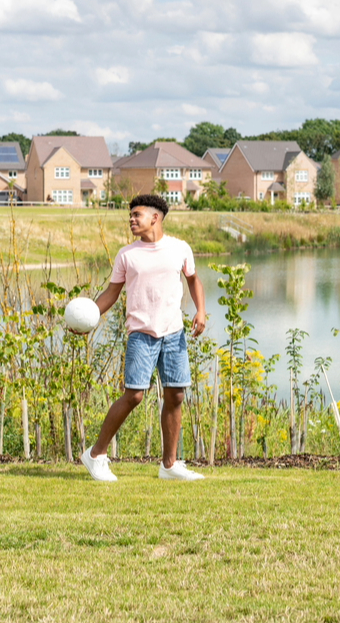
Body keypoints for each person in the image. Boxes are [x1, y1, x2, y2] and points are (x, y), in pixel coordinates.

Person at [80, 194, 207, 482]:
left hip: (174, 333)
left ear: (155, 217)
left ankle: (169, 465)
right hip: (141, 334)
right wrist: (90, 318)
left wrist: (201, 311)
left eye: (137, 215)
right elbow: (112, 293)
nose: (132, 219)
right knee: (135, 395)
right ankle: (96, 454)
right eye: (131, 215)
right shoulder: (127, 254)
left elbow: (193, 280)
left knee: (176, 395)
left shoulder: (179, 248)